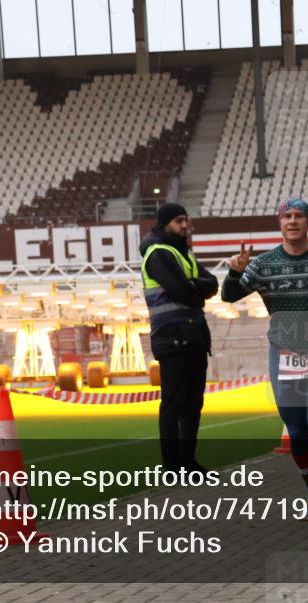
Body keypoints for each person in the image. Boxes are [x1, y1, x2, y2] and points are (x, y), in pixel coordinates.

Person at [222, 197, 308, 515]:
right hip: (282, 355)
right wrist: (234, 272)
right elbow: (229, 296)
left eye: (299, 216)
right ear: (280, 223)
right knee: (297, 430)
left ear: (307, 222)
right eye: (288, 216)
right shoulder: (264, 264)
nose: (293, 221)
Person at [140, 203, 219, 474]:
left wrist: (196, 288)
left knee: (193, 403)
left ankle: (189, 463)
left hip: (194, 335)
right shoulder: (158, 253)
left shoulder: (183, 253)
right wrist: (197, 290)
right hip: (172, 337)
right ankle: (173, 467)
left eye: (186, 219)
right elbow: (186, 292)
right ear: (165, 224)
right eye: (178, 220)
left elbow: (212, 284)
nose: (184, 225)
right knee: (174, 402)